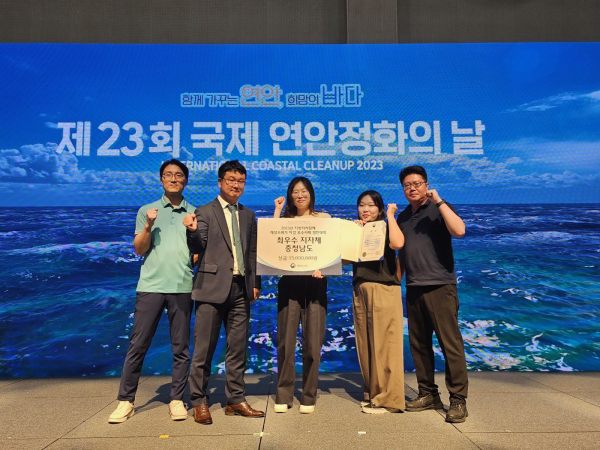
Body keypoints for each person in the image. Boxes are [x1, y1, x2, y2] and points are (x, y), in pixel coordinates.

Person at [109, 159, 196, 424]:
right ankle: (126, 401)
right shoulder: (147, 210)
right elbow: (139, 249)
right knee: (138, 345)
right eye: (168, 175)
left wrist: (188, 254)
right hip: (150, 286)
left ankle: (176, 399)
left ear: (185, 180)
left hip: (182, 286)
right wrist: (148, 225)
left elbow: (198, 252)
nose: (174, 179)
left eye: (178, 175)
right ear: (161, 180)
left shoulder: (195, 212)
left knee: (181, 348)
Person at [183, 160, 263, 425]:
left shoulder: (248, 215)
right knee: (204, 351)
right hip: (211, 288)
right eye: (231, 180)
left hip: (241, 289)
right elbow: (198, 245)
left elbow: (253, 251)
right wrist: (191, 231)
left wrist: (256, 282)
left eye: (240, 181)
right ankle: (199, 401)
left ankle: (235, 400)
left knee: (237, 349)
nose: (236, 185)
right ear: (220, 182)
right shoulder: (204, 211)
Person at [396, 165, 469, 423]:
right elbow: (402, 254)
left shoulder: (440, 208)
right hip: (414, 287)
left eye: (417, 183)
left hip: (440, 286)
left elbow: (459, 230)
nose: (412, 188)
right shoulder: (403, 217)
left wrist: (439, 201)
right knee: (419, 345)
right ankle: (428, 394)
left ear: (426, 185)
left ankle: (458, 400)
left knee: (450, 345)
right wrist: (395, 283)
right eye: (407, 185)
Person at [272, 177, 330, 414]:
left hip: (315, 285)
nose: (300, 195)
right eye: (295, 192)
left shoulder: (324, 219)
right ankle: (283, 395)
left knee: (313, 344)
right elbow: (271, 244)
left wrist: (324, 268)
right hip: (289, 284)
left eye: (304, 191)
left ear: (311, 194)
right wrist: (277, 211)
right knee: (286, 342)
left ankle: (308, 395)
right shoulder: (285, 220)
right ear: (290, 195)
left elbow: (331, 251)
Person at [350, 190, 405, 414]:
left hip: (383, 288)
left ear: (379, 208)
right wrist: (353, 233)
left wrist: (390, 216)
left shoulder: (386, 225)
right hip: (361, 289)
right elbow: (345, 259)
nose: (366, 209)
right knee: (365, 345)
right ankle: (373, 394)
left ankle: (389, 400)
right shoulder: (358, 229)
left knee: (386, 346)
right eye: (362, 205)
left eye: (371, 205)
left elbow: (398, 243)